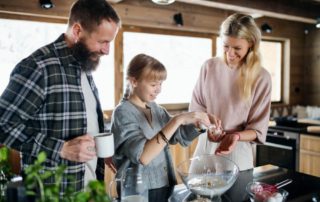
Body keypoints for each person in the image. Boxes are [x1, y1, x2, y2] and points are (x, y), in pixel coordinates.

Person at [0, 0, 120, 196]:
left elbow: (80, 122)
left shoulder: (84, 66)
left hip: (87, 189)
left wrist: (101, 150)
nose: (106, 50)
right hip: (53, 193)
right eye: (102, 42)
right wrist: (61, 149)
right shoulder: (39, 67)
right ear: (77, 31)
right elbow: (3, 125)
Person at [110, 53, 218, 202]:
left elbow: (178, 136)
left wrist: (198, 124)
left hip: (164, 183)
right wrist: (178, 119)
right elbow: (143, 156)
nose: (158, 89)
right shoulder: (122, 113)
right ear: (134, 81)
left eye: (160, 84)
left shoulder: (156, 109)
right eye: (153, 85)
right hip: (137, 190)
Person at [189, 13, 272, 171]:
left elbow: (258, 129)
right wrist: (208, 127)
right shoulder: (209, 67)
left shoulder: (261, 77)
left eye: (237, 48)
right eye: (226, 46)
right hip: (205, 145)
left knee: (235, 196)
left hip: (237, 149)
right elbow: (196, 108)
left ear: (251, 45)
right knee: (198, 194)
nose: (230, 53)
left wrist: (235, 136)